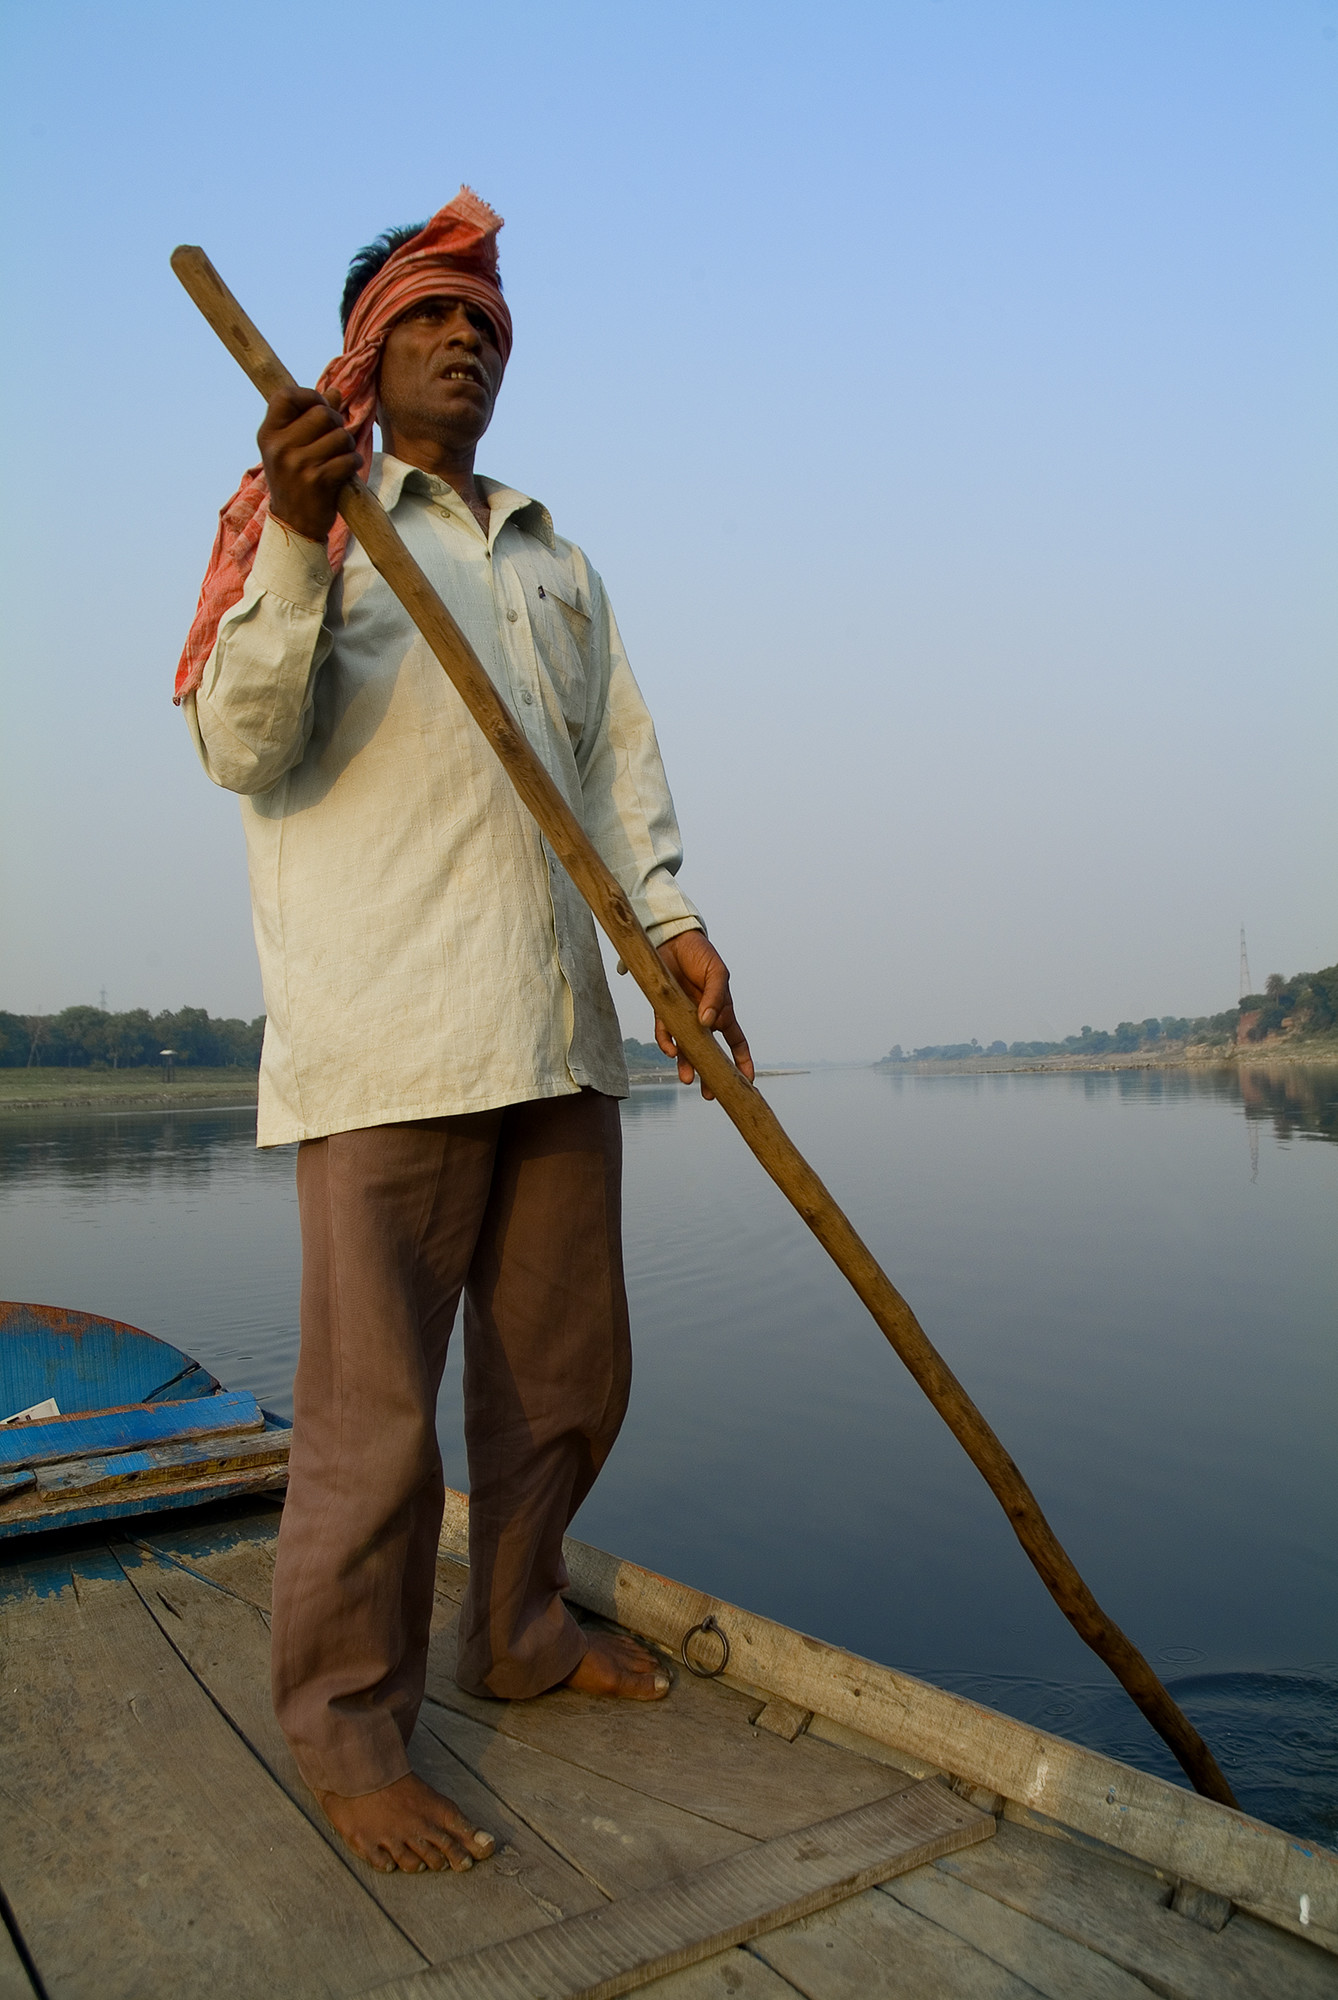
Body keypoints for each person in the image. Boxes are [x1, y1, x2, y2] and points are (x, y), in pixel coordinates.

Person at [178, 189, 752, 1877]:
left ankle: (520, 1632)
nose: (468, 341)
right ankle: (352, 1740)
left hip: (554, 1030)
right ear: (367, 347)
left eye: (488, 326)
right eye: (436, 318)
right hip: (389, 1038)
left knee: (565, 1377)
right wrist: (293, 531)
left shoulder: (554, 557)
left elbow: (618, 771)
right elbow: (239, 745)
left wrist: (671, 927)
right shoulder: (307, 516)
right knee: (371, 1423)